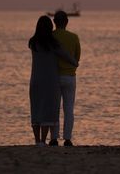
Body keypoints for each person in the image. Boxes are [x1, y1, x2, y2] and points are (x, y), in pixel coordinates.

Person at [28, 15, 77, 146]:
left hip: (35, 81)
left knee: (36, 109)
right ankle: (45, 140)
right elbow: (65, 55)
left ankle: (38, 140)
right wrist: (74, 62)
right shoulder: (52, 43)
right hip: (50, 81)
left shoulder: (32, 42)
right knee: (49, 110)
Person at [49, 11, 81, 147]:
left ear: (54, 22)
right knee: (68, 109)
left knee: (54, 108)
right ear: (66, 22)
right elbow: (77, 57)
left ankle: (54, 139)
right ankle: (67, 139)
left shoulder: (50, 37)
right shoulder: (74, 37)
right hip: (69, 76)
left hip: (54, 77)